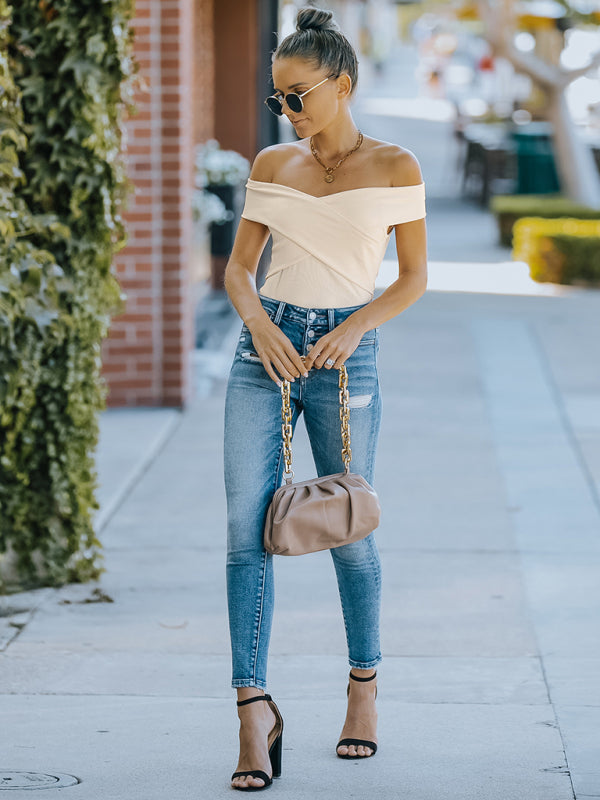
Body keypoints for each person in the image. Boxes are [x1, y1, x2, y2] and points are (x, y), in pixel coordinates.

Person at [223, 6, 427, 791]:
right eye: (277, 98)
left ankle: (363, 689)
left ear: (342, 85)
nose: (287, 111)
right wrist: (258, 327)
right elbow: (238, 270)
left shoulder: (397, 166)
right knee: (246, 532)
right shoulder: (274, 163)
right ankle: (253, 711)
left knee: (349, 524)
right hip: (263, 352)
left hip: (346, 357)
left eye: (298, 95)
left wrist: (356, 327)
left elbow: (412, 278)